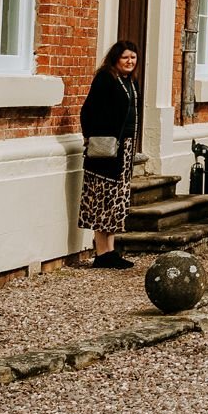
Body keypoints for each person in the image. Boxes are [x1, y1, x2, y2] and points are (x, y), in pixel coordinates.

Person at [78, 40, 140, 269]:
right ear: (115, 58)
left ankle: (111, 250)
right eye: (125, 58)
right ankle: (101, 251)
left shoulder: (130, 82)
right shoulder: (105, 79)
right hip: (105, 151)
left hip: (125, 150)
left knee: (117, 201)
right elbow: (88, 111)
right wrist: (92, 139)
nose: (130, 62)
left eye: (133, 58)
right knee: (103, 199)